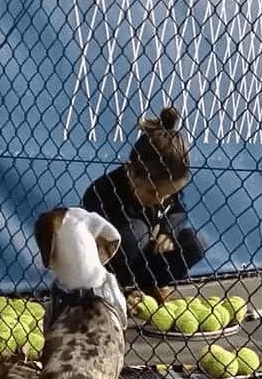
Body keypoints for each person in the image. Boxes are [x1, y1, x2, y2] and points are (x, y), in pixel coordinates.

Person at [82, 105, 205, 303]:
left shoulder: (167, 185)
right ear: (130, 171)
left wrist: (168, 230)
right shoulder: (102, 193)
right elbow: (89, 253)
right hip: (106, 269)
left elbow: (179, 211)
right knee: (134, 233)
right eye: (153, 192)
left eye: (169, 194)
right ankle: (121, 293)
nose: (161, 200)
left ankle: (152, 285)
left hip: (147, 259)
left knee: (195, 242)